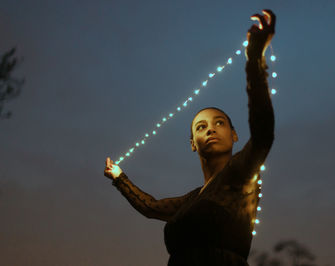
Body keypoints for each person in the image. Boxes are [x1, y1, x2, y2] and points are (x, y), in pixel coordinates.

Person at [104, 9, 276, 266]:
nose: (210, 129)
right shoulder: (191, 199)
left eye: (219, 123)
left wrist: (254, 60)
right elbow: (151, 207)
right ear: (192, 144)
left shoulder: (241, 176)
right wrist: (119, 178)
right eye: (200, 127)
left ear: (235, 135)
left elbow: (263, 134)